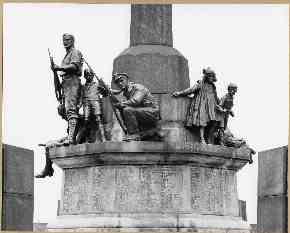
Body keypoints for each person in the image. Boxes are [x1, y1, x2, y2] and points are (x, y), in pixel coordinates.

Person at [172, 67, 220, 144]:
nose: (211, 78)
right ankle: (202, 138)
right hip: (202, 105)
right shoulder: (200, 84)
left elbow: (216, 96)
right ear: (206, 76)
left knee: (213, 122)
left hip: (211, 106)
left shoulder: (213, 86)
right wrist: (180, 93)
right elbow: (191, 90)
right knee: (202, 122)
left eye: (212, 76)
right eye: (209, 76)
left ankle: (207, 137)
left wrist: (219, 104)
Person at [51, 33, 83, 145]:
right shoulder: (67, 54)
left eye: (68, 40)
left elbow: (74, 67)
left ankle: (71, 138)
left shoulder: (75, 52)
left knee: (71, 110)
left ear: (73, 41)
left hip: (72, 82)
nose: (65, 42)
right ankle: (74, 131)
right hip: (66, 84)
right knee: (63, 109)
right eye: (64, 40)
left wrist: (59, 67)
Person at [111, 73, 160, 141]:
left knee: (127, 110)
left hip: (152, 112)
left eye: (122, 80)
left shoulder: (138, 87)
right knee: (124, 109)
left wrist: (122, 104)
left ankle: (134, 135)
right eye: (117, 82)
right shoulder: (126, 91)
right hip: (142, 111)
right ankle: (132, 132)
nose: (119, 83)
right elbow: (116, 93)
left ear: (127, 80)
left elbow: (135, 101)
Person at [82, 68, 106, 142]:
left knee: (98, 119)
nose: (89, 76)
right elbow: (81, 96)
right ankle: (87, 139)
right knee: (86, 120)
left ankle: (103, 138)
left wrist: (103, 87)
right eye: (87, 75)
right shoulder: (83, 86)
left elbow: (105, 94)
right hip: (86, 103)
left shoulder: (97, 84)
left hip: (95, 102)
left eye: (90, 75)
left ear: (92, 76)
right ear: (85, 76)